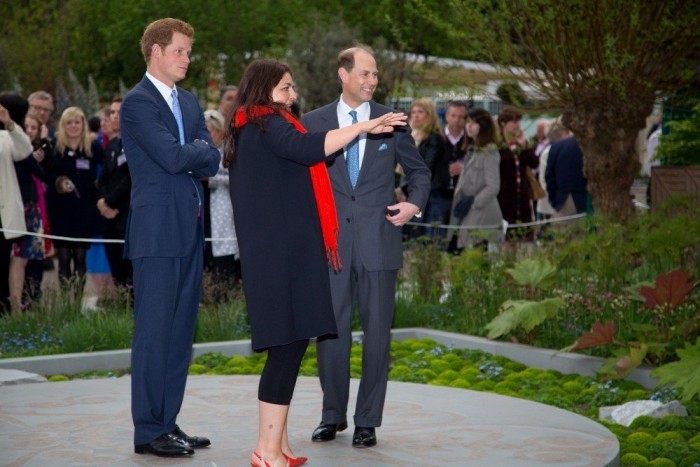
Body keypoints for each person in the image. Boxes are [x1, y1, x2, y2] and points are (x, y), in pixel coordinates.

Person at [302, 45, 431, 449]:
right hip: (332, 245)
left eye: (375, 76)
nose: (372, 81)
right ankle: (332, 416)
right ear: (343, 74)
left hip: (380, 240)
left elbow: (419, 171)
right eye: (365, 74)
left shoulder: (391, 120)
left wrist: (414, 203)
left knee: (377, 335)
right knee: (331, 332)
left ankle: (367, 421)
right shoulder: (313, 122)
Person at [120, 18, 220, 458]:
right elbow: (175, 156)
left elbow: (211, 160)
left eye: (188, 52)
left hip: (189, 234)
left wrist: (195, 154)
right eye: (180, 50)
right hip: (156, 235)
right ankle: (148, 429)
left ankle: (168, 422)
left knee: (180, 333)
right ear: (156, 52)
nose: (187, 59)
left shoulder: (190, 101)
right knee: (154, 333)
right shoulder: (138, 104)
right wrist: (196, 152)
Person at [46, 106, 104, 284]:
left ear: (83, 124)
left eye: (77, 122)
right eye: (69, 123)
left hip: (84, 208)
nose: (73, 126)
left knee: (80, 257)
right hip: (61, 209)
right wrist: (59, 182)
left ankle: (77, 302)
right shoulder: (55, 147)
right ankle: (65, 304)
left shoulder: (93, 146)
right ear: (63, 125)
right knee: (63, 258)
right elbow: (47, 173)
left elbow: (106, 172)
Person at [450, 107, 502, 250]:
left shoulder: (489, 151)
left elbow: (493, 186)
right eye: (467, 122)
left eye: (474, 123)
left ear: (484, 126)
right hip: (468, 210)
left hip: (482, 212)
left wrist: (474, 204)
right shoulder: (473, 149)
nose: (469, 126)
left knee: (477, 256)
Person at [0, 94, 32, 315]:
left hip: (2, 213)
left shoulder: (5, 136)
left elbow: (24, 151)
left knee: (3, 265)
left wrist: (10, 124)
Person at [97, 97, 132, 288]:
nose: (115, 116)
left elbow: (130, 179)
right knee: (116, 269)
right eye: (112, 112)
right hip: (109, 217)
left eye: (120, 112)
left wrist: (110, 203)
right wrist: (102, 202)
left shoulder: (135, 143)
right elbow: (103, 179)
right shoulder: (111, 145)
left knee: (130, 270)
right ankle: (121, 311)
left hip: (126, 214)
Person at [203, 109, 240, 282]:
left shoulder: (229, 151)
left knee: (223, 255)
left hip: (223, 210)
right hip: (203, 209)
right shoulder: (201, 151)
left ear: (218, 130)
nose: (205, 135)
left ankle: (225, 297)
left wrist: (210, 178)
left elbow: (236, 178)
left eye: (208, 131)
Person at [407, 98, 450, 239]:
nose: (416, 115)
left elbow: (425, 167)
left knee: (430, 236)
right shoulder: (413, 136)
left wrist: (403, 188)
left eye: (420, 112)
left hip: (431, 192)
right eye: (413, 112)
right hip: (417, 191)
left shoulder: (434, 138)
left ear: (429, 115)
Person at [496, 105, 538, 243]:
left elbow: (534, 163)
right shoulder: (497, 143)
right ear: (503, 123)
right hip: (504, 197)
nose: (517, 125)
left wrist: (524, 145)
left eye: (518, 121)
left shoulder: (520, 142)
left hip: (522, 195)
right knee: (508, 236)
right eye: (514, 122)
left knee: (524, 234)